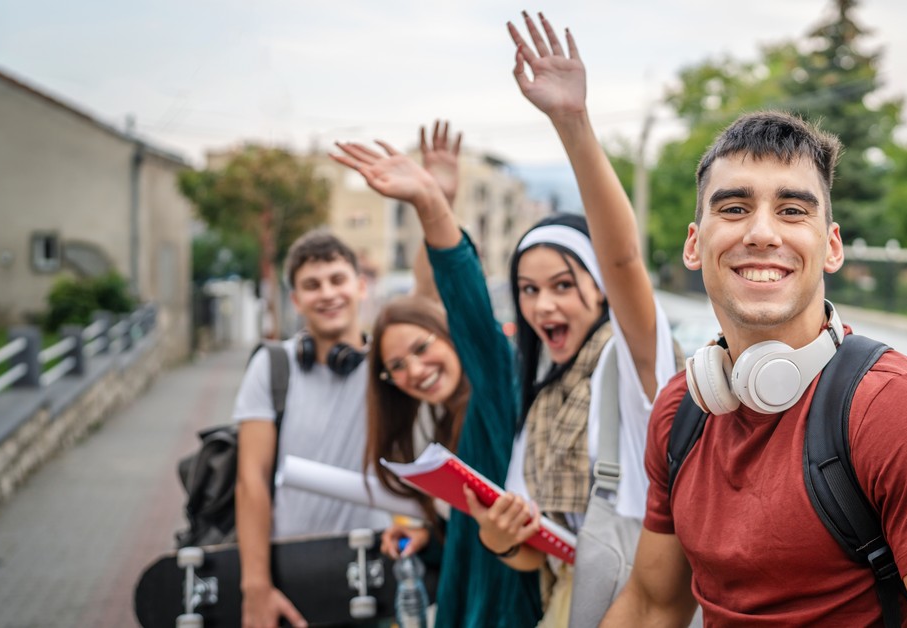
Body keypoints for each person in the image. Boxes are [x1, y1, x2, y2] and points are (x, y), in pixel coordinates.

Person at [600, 111, 907, 627]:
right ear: (694, 244)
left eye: (791, 210)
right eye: (735, 208)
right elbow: (653, 606)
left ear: (831, 246)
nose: (762, 233)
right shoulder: (681, 410)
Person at [332, 12, 680, 622]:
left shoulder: (631, 368)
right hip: (558, 604)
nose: (543, 304)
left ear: (600, 291)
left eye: (563, 285)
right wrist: (498, 532)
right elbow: (528, 554)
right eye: (526, 289)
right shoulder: (537, 396)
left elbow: (622, 258)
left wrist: (572, 122)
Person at [358, 122, 544, 628]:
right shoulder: (440, 426)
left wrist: (433, 205)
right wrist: (428, 536)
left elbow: (455, 291)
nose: (415, 369)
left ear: (451, 336)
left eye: (422, 349)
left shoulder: (497, 392)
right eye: (397, 366)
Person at [232, 229, 390, 628]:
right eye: (312, 285)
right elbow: (251, 479)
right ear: (296, 299)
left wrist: (437, 200)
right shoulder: (271, 366)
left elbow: (428, 297)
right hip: (292, 572)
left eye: (337, 280)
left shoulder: (390, 365)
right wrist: (256, 587)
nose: (327, 293)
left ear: (360, 287)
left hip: (375, 569)